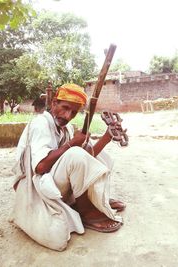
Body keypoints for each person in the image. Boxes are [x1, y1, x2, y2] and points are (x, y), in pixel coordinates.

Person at [12, 83, 126, 251]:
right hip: (34, 185)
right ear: (53, 104)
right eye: (65, 108)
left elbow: (87, 157)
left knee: (99, 157)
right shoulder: (40, 123)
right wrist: (72, 144)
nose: (67, 115)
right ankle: (86, 212)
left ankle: (95, 199)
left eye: (73, 112)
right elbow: (40, 167)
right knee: (76, 154)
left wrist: (107, 136)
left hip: (51, 180)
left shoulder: (65, 129)